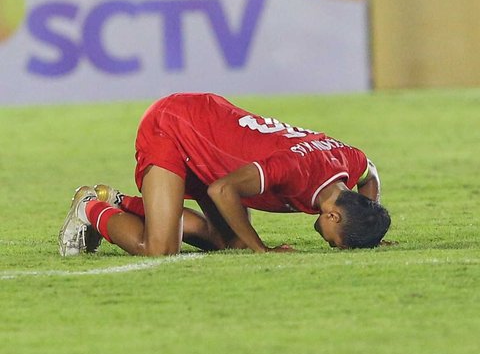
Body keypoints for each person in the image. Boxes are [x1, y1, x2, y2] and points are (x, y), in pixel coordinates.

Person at [58, 92, 391, 257]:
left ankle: (119, 201)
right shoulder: (297, 171)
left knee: (230, 242)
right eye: (336, 243)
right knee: (160, 248)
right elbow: (221, 191)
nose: (330, 244)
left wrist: (368, 222)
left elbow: (369, 172)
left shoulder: (345, 160)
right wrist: (263, 251)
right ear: (333, 215)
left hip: (212, 133)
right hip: (174, 126)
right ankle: (90, 207)